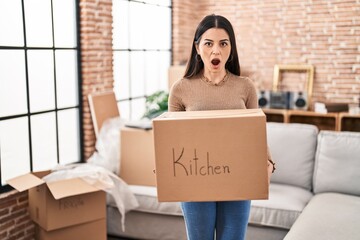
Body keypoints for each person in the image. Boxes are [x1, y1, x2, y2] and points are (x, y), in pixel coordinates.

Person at [168, 14, 276, 240]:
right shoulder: (180, 90)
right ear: (197, 48)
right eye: (208, 43)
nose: (215, 51)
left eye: (223, 44)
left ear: (231, 49)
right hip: (194, 182)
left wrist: (268, 163)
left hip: (238, 180)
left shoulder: (245, 87)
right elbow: (171, 140)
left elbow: (256, 133)